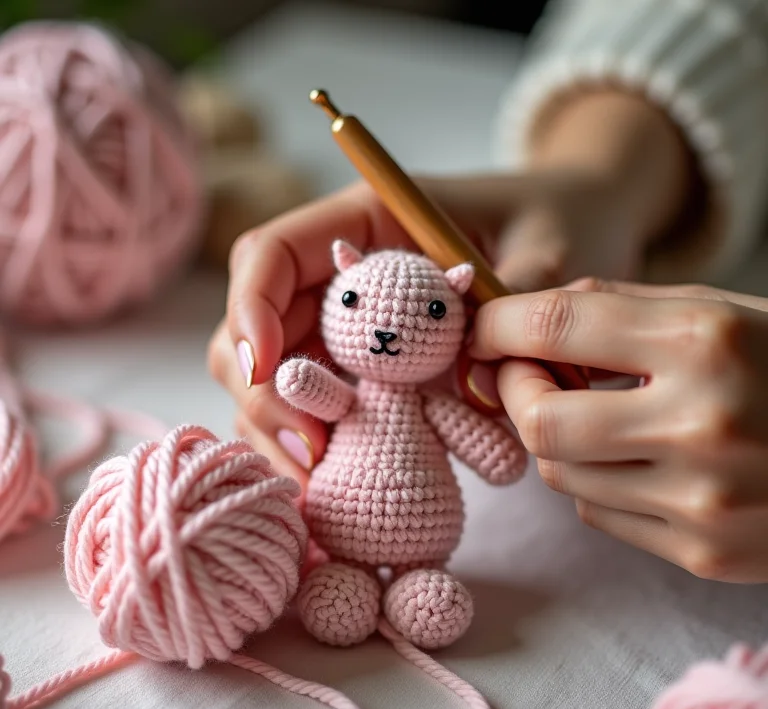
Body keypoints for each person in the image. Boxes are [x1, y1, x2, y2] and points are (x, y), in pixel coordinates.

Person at [208, 0, 768, 583]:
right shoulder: (376, 390)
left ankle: (415, 584)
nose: (382, 326)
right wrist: (603, 181)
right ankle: (345, 576)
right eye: (352, 300)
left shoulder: (430, 401)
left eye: (427, 310)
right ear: (341, 274)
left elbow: (495, 459)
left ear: (458, 296)